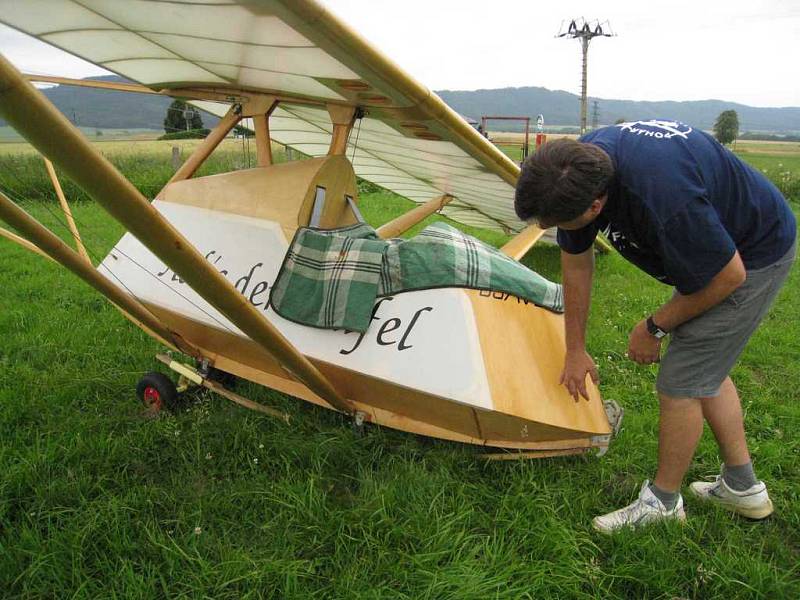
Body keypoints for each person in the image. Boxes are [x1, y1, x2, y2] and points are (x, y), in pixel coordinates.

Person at [514, 120, 796, 533]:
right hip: (720, 248)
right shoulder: (576, 168)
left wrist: (654, 326)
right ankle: (742, 487)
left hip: (752, 254)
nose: (549, 231)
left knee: (681, 381)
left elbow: (726, 276)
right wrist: (574, 348)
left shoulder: (663, 197)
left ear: (596, 207)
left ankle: (663, 503)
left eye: (557, 223)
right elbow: (576, 264)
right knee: (706, 370)